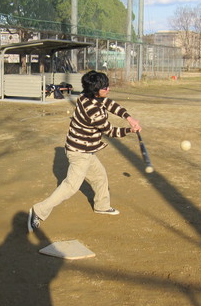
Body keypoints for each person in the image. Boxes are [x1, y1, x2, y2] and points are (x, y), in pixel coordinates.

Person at [28, 70, 141, 232]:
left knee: (100, 176)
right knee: (70, 186)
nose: (108, 89)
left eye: (107, 86)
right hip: (79, 152)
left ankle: (102, 206)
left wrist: (129, 118)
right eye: (105, 88)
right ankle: (38, 211)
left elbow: (109, 104)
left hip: (84, 150)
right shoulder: (92, 110)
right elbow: (110, 131)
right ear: (95, 90)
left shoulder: (86, 96)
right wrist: (130, 130)